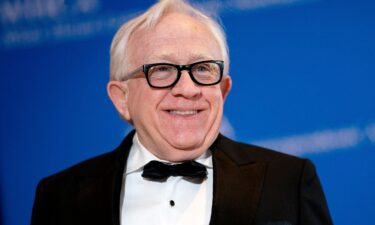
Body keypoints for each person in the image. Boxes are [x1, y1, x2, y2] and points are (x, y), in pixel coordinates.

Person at [31, 0, 333, 224]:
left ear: (223, 90)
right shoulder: (60, 197)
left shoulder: (289, 182)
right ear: (121, 98)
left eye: (202, 68)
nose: (187, 88)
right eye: (161, 70)